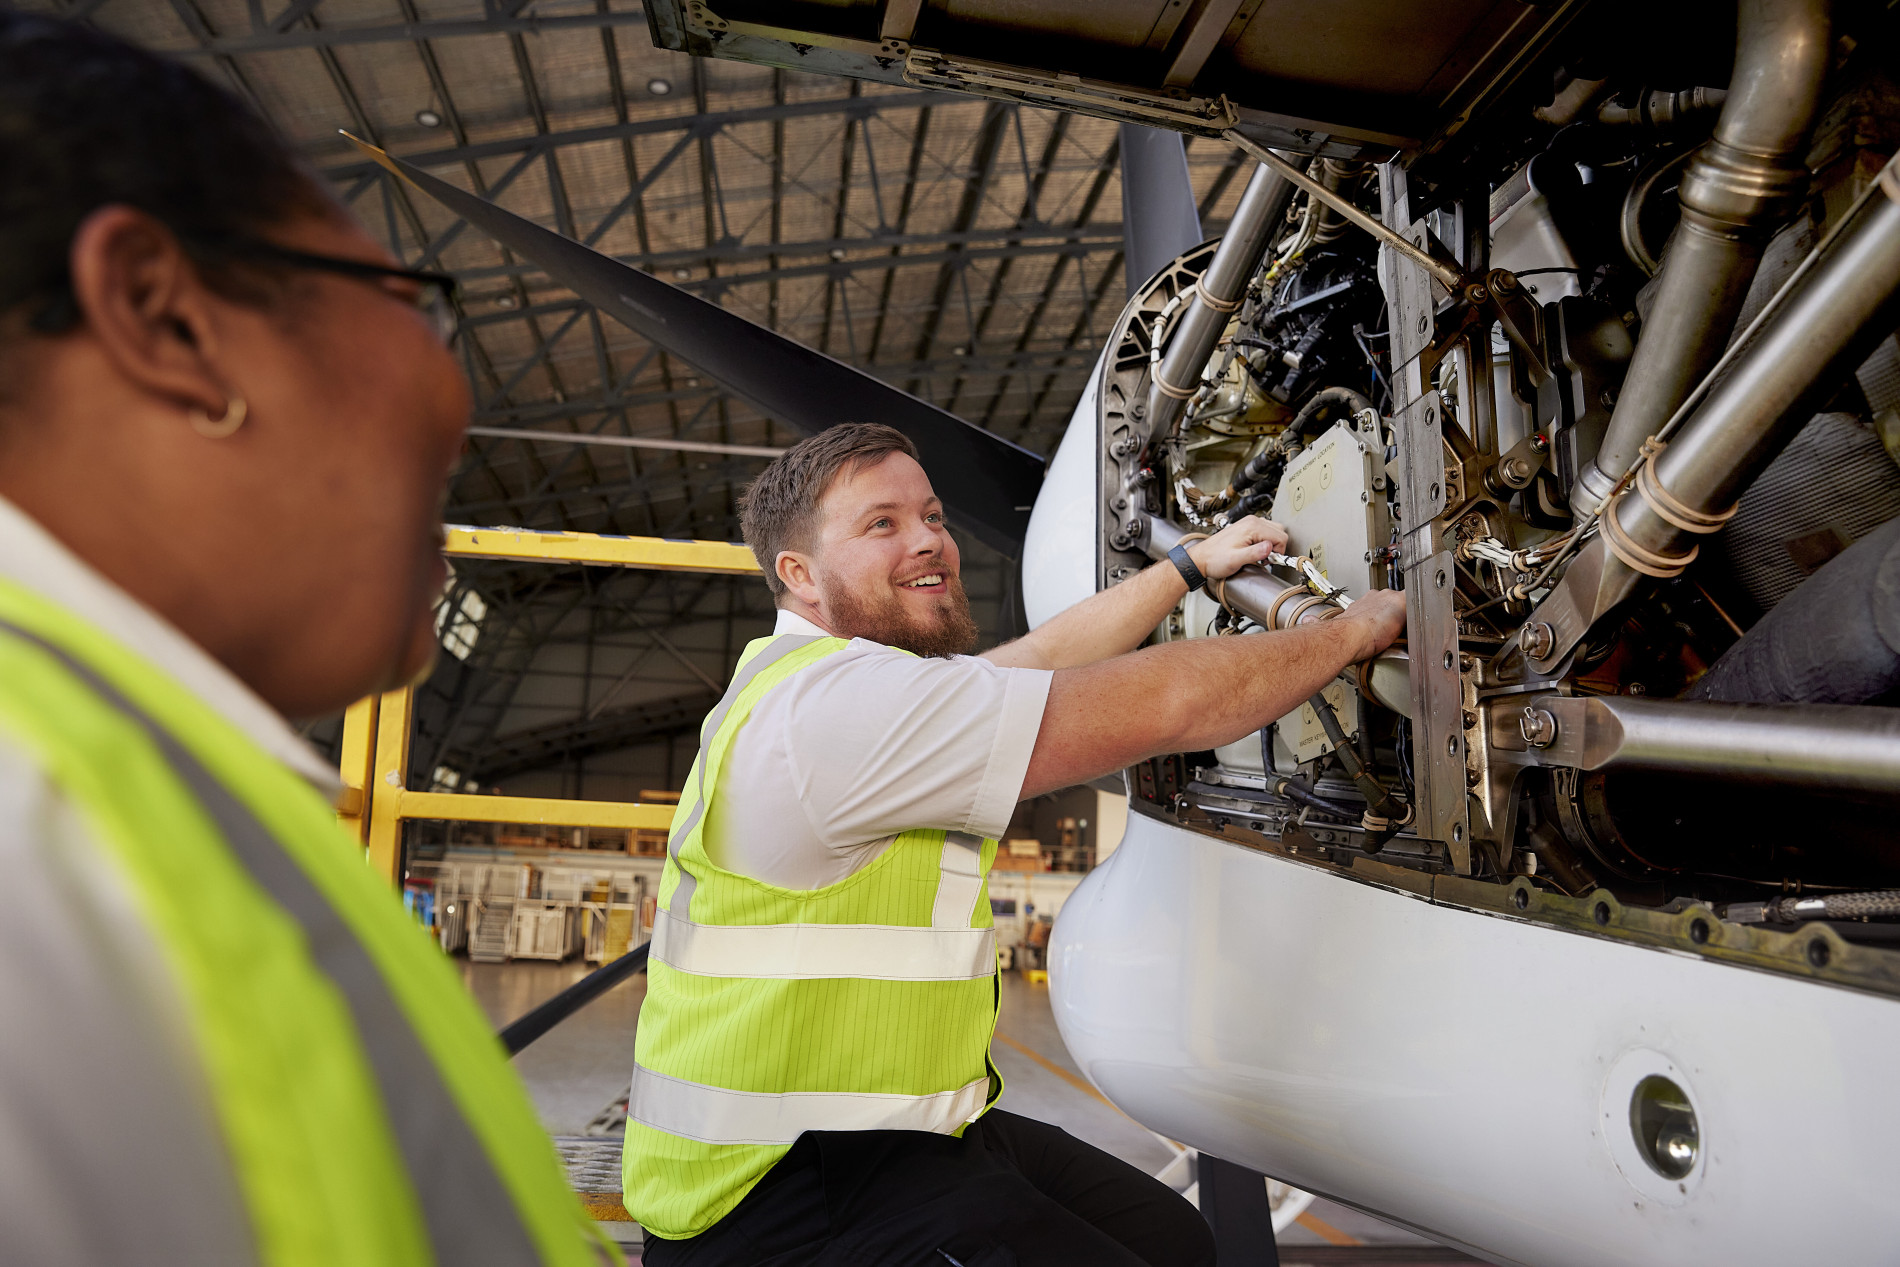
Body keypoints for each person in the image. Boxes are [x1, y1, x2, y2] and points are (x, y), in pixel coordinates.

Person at [0, 14, 608, 1264]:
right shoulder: (31, 835)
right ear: (166, 320)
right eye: (415, 307)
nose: (458, 401)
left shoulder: (158, 797)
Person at [623, 423, 1408, 1264]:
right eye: (881, 524)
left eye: (931, 514)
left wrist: (1186, 567)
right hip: (778, 1196)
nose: (928, 537)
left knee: (1174, 1240)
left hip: (895, 1131)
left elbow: (1037, 655)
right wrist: (1350, 632)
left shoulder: (837, 685)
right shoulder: (831, 710)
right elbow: (1168, 704)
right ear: (799, 575)